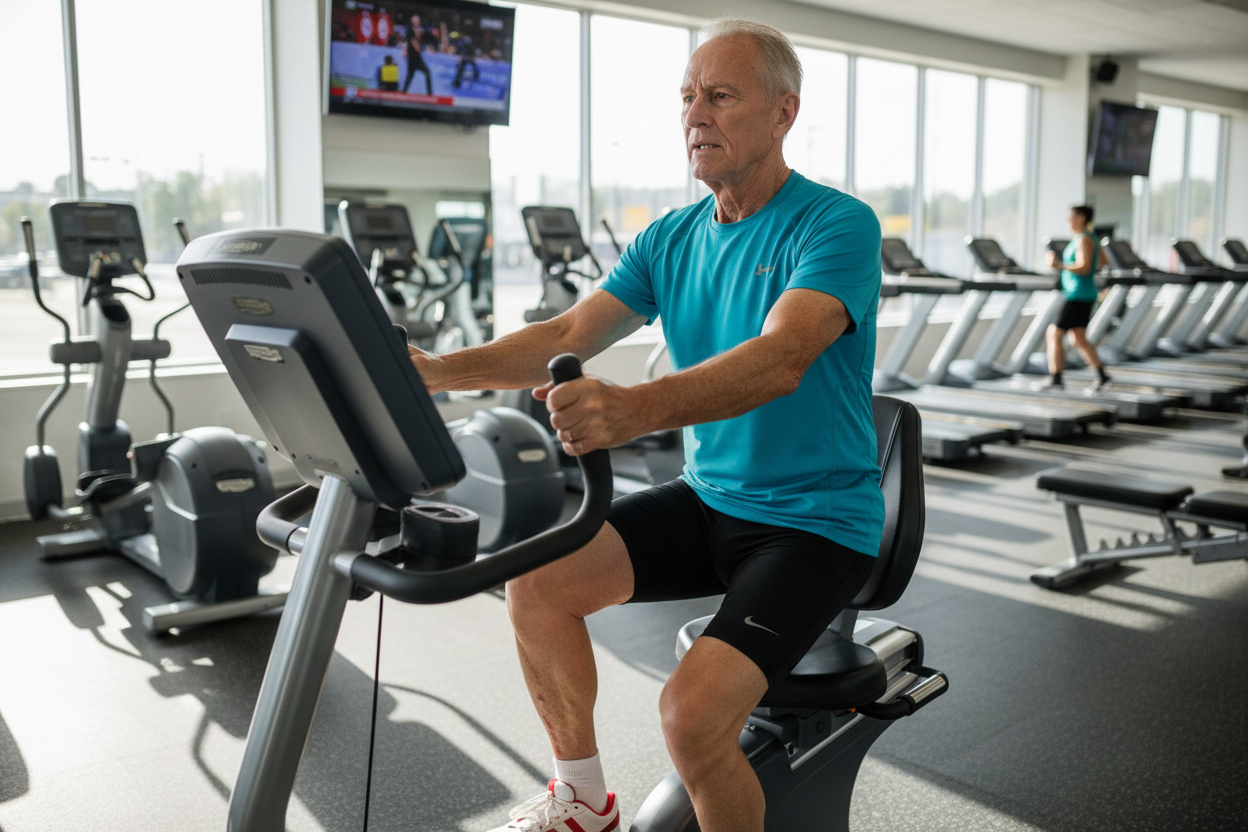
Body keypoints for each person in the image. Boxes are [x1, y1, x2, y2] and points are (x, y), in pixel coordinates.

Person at [409, 18, 883, 832]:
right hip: (709, 501)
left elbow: (781, 359)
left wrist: (635, 408)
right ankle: (582, 802)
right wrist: (437, 372)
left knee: (690, 719)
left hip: (815, 523)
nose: (695, 115)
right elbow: (566, 333)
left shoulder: (836, 224)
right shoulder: (670, 237)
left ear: (783, 112)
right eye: (688, 97)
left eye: (721, 96)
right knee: (537, 585)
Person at [1041, 205, 1112, 394]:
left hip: (1077, 294)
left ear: (1081, 218)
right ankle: (1103, 377)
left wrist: (1059, 265)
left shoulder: (1083, 239)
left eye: (1071, 216)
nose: (1068, 220)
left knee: (1054, 333)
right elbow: (1103, 262)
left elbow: (1085, 267)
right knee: (1078, 338)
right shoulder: (1091, 238)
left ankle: (1056, 379)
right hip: (1085, 293)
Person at [403, 16, 433, 95]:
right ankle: (403, 93)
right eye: (414, 21)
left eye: (417, 21)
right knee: (410, 75)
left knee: (426, 73)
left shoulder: (421, 30)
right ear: (412, 22)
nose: (416, 23)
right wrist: (419, 48)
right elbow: (413, 43)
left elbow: (425, 41)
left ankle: (430, 94)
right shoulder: (410, 31)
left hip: (418, 57)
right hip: (412, 57)